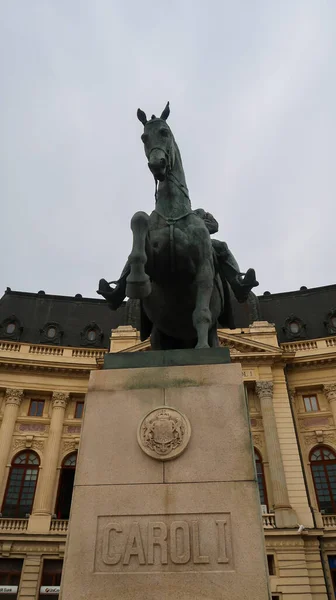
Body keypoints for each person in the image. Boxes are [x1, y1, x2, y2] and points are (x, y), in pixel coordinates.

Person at [97, 209, 258, 309]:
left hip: (197, 245)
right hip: (165, 247)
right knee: (140, 248)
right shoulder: (159, 215)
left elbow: (215, 226)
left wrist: (198, 226)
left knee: (221, 246)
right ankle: (118, 292)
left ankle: (238, 284)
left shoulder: (198, 213)